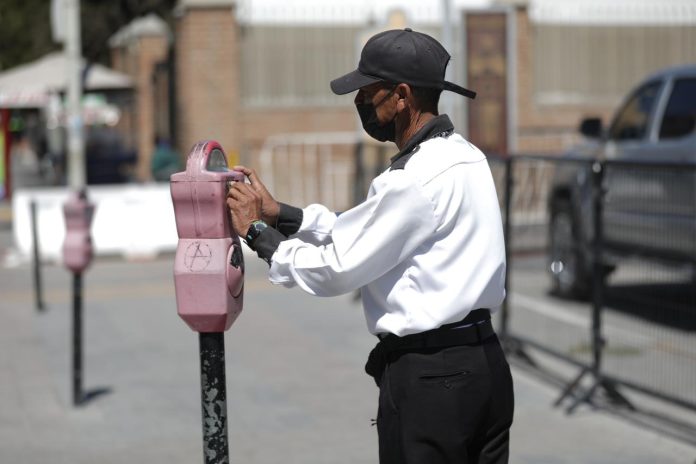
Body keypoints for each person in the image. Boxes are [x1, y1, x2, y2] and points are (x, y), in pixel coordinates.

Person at [227, 28, 514, 464]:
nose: (359, 100)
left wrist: (256, 234)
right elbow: (369, 232)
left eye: (367, 90)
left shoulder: (412, 179)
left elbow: (336, 269)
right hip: (484, 365)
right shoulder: (466, 156)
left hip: (432, 378)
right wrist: (278, 214)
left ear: (401, 96)